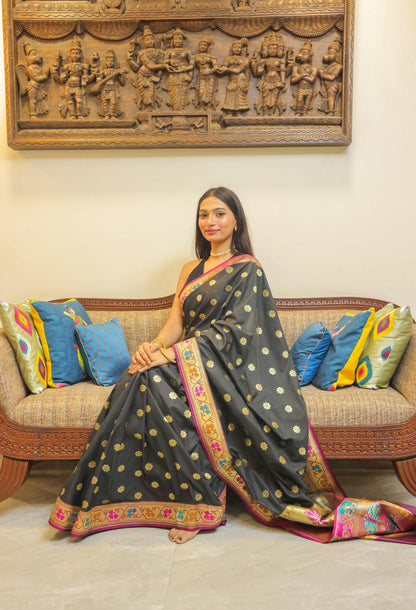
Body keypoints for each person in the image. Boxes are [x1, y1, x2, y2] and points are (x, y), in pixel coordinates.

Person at [49, 188, 416, 545]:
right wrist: (154, 347)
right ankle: (144, 497)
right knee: (138, 376)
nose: (210, 221)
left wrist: (173, 356)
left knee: (158, 384)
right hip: (190, 360)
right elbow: (176, 322)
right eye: (203, 214)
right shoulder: (189, 269)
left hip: (226, 368)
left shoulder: (248, 269)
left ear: (236, 220)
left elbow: (239, 331)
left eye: (219, 213)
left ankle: (201, 506)